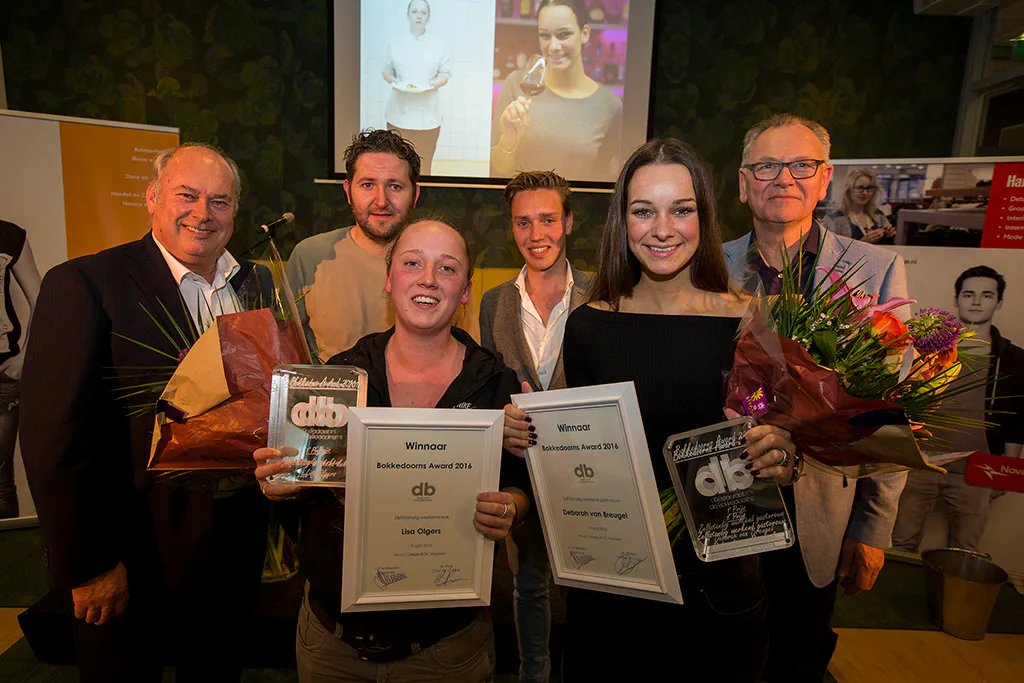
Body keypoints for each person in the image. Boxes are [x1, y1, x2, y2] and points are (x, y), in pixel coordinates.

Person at [505, 138, 797, 682]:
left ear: (704, 216)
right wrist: (527, 433)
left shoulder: (747, 320)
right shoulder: (589, 325)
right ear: (623, 220)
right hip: (613, 588)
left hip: (719, 585)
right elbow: (581, 458)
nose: (663, 229)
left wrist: (780, 453)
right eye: (644, 211)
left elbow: (769, 427)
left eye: (681, 209)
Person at [20, 143, 271, 682]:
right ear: (152, 199)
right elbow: (51, 440)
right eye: (187, 195)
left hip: (230, 548)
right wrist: (89, 566)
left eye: (220, 201)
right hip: (131, 551)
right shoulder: (85, 283)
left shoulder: (256, 282)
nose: (203, 214)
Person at [256, 218, 533, 683]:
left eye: (446, 269)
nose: (428, 278)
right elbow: (307, 486)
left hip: (447, 651)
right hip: (332, 646)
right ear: (389, 280)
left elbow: (520, 487)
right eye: (412, 263)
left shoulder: (495, 383)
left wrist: (512, 507)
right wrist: (280, 480)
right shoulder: (339, 377)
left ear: (465, 291)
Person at [722, 113, 910, 683]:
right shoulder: (705, 266)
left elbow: (889, 410)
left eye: (801, 165)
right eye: (766, 165)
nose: (784, 178)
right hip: (723, 496)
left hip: (823, 508)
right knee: (723, 653)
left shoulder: (875, 270)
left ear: (824, 179)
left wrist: (873, 528)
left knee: (796, 658)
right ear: (742, 182)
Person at [478, 170, 591, 683]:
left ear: (568, 221)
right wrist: (500, 415)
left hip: (587, 464)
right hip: (520, 465)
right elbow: (491, 382)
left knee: (591, 578)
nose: (536, 233)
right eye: (523, 222)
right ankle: (533, 674)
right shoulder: (494, 301)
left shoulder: (602, 294)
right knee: (528, 581)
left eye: (547, 219)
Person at [892, 266, 1024, 553]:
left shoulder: (1013, 359)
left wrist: (1006, 472)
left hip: (977, 470)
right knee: (900, 542)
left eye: (987, 295)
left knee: (965, 551)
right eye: (969, 294)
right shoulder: (926, 350)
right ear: (957, 300)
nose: (976, 301)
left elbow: (1016, 419)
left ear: (998, 302)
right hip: (922, 463)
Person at [287, 129, 421, 362]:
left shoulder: (438, 264)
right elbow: (284, 351)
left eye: (395, 186)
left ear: (415, 194)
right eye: (368, 185)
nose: (381, 201)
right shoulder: (309, 257)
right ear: (348, 191)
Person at [490, 0, 622, 182]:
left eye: (564, 35)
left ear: (585, 33)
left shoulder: (610, 105)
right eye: (545, 36)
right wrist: (509, 140)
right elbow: (497, 170)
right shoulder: (516, 84)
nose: (553, 46)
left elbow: (602, 178)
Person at [0, 220, 41, 519]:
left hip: (2, 369)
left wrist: (24, 357)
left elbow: (39, 296)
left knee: (1, 480)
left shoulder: (8, 235)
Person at [382, 0, 451, 176]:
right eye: (414, 12)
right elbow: (386, 70)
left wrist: (434, 84)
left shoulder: (438, 44)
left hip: (428, 116)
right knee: (397, 168)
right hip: (399, 114)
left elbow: (445, 73)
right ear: (408, 15)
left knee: (424, 166)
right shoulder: (395, 42)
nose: (419, 16)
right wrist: (394, 82)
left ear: (428, 17)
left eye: (423, 12)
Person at [823, 168, 896, 244]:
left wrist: (890, 234)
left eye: (869, 188)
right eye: (859, 188)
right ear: (848, 189)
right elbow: (829, 251)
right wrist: (862, 243)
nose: (865, 192)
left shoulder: (879, 215)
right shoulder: (833, 219)